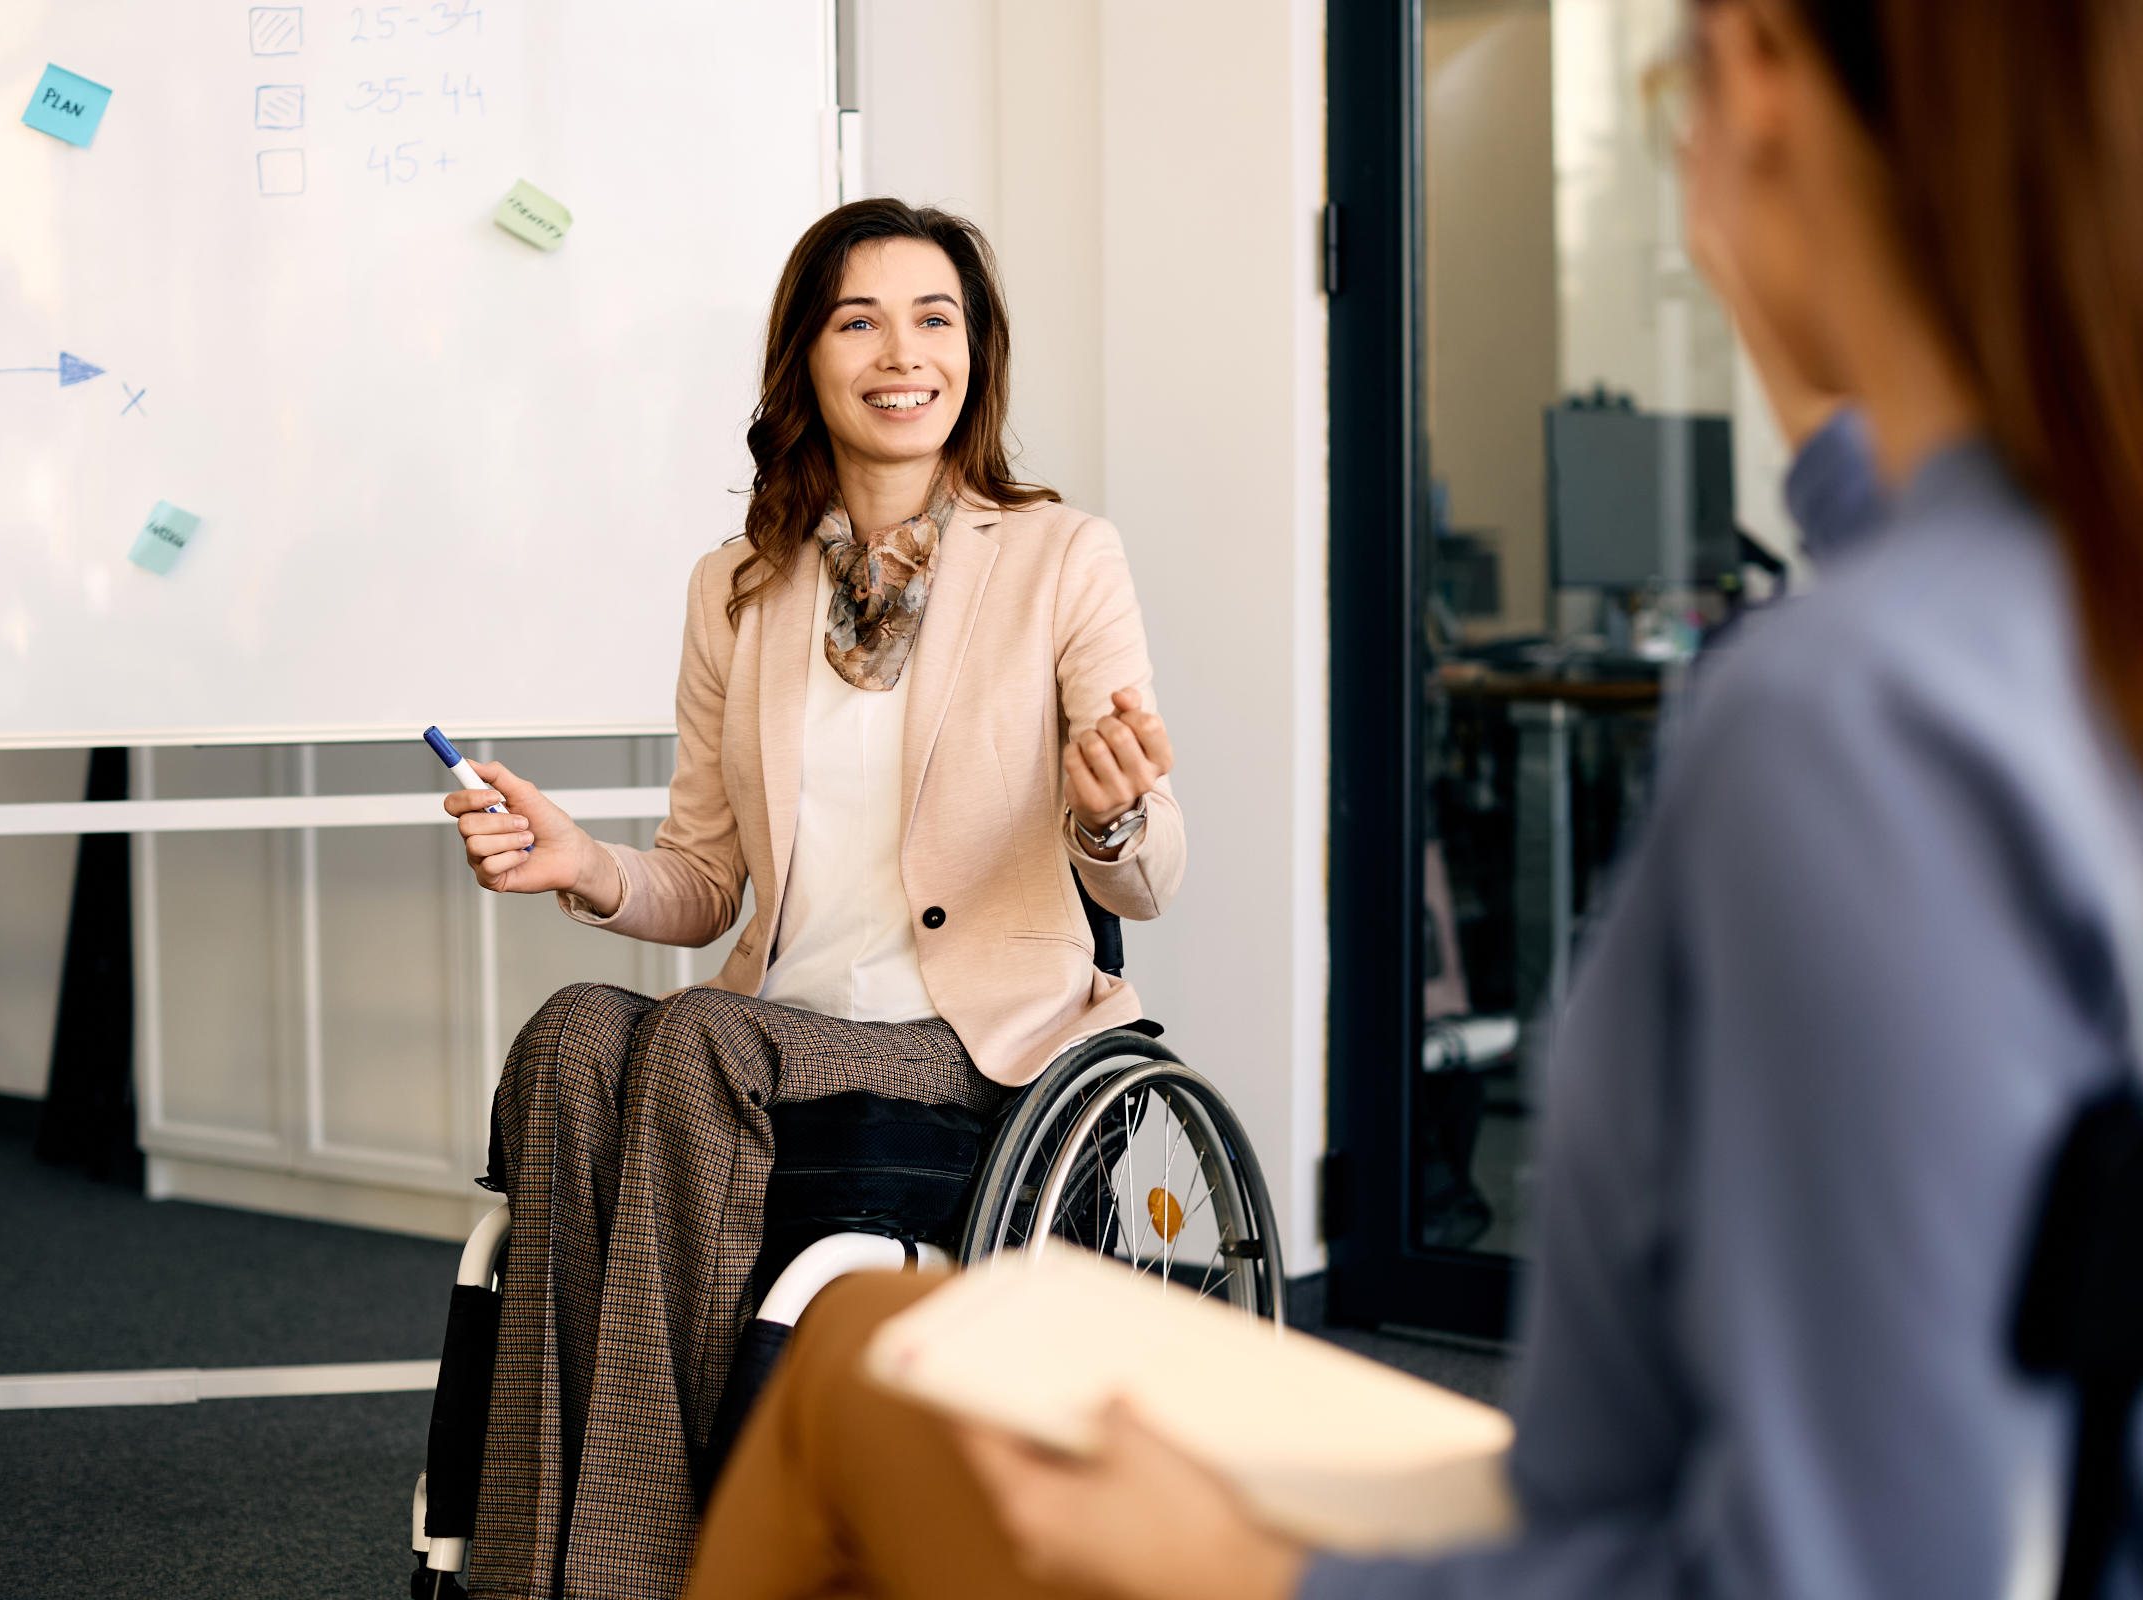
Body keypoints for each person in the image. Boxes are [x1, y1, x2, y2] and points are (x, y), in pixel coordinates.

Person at [682, 1, 2143, 1596]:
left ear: (1771, 94)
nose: (903, 354)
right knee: (841, 1296)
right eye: (857, 322)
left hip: (1552, 1516)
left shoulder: (1853, 726)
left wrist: (1252, 1569)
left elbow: (1852, 1568)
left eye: (1676, 88)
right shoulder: (2046, 622)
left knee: (863, 1379)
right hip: (1665, 1496)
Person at [437, 198, 1186, 1600]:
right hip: (779, 1033)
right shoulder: (737, 589)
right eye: (859, 320)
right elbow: (709, 875)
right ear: (807, 358)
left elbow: (1148, 869)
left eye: (935, 318)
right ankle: (527, 1566)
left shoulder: (1060, 559)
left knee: (695, 1048)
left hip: (974, 1056)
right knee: (575, 1038)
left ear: (977, 354)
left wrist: (1111, 811)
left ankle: (643, 1569)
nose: (902, 353)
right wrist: (583, 865)